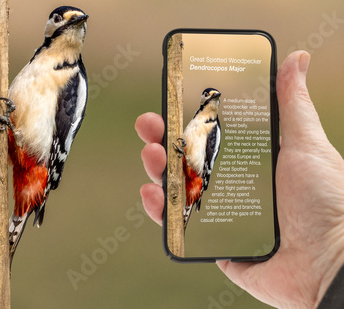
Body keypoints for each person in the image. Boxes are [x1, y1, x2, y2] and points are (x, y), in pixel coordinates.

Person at [135, 51, 344, 308]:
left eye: (215, 97)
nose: (212, 99)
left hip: (195, 177)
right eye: (208, 96)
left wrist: (333, 252)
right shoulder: (197, 121)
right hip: (190, 174)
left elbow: (202, 165)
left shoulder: (213, 129)